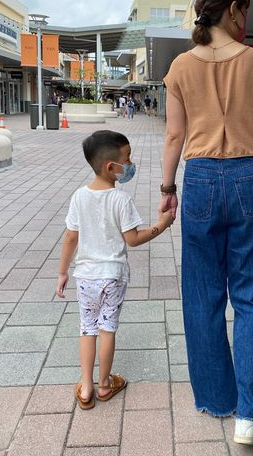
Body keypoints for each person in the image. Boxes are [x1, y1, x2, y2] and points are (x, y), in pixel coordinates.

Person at [160, 0, 253, 446]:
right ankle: (251, 415)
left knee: (202, 292)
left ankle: (216, 396)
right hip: (252, 175)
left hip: (201, 179)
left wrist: (168, 188)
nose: (245, 19)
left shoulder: (180, 67)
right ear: (231, 9)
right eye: (244, 10)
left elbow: (174, 136)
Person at [56, 130, 174, 410]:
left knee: (87, 329)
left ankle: (86, 388)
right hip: (113, 277)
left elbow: (70, 237)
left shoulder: (79, 196)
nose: (130, 163)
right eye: (127, 158)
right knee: (107, 329)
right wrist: (162, 224)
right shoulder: (121, 200)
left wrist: (62, 272)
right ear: (111, 167)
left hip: (85, 277)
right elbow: (133, 239)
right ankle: (105, 384)